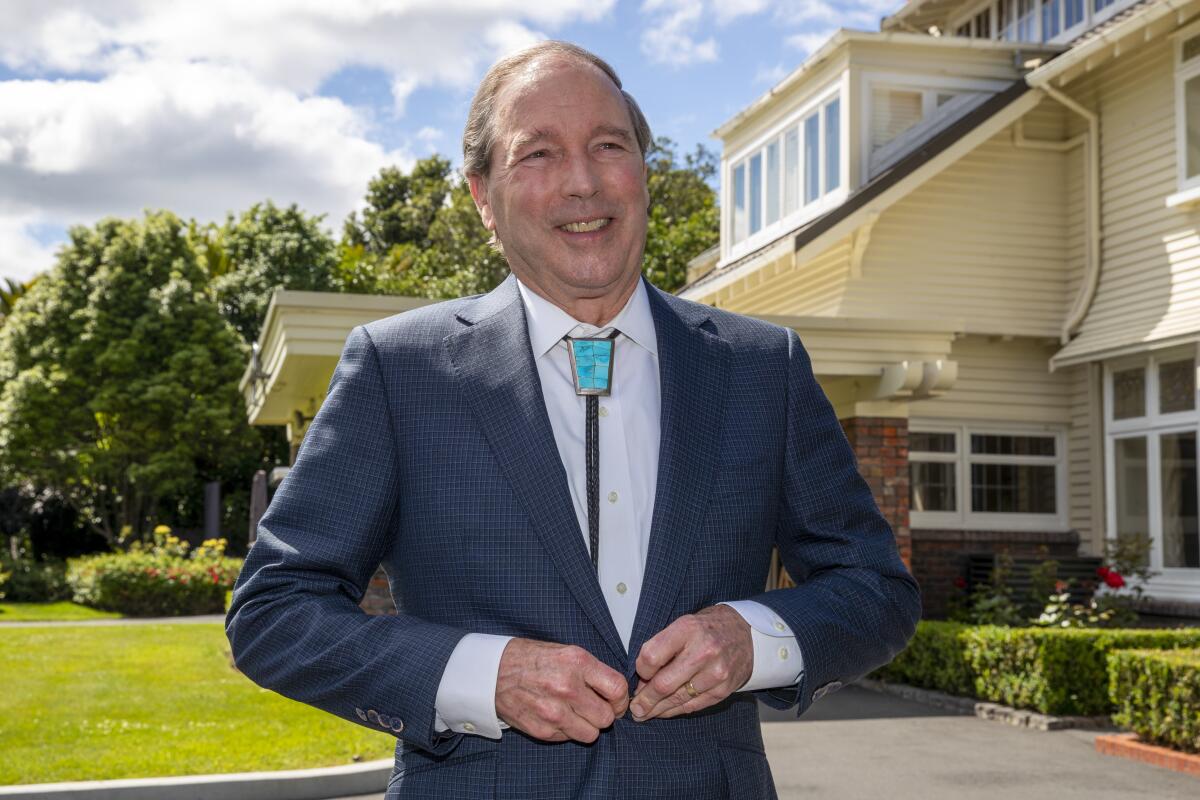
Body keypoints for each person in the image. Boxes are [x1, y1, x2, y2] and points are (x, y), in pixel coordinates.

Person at [225, 40, 921, 799]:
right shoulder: (400, 371)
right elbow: (274, 613)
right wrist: (480, 677)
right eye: (539, 155)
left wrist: (754, 639)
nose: (583, 183)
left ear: (644, 174)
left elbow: (875, 590)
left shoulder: (763, 369)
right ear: (483, 198)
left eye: (607, 146)